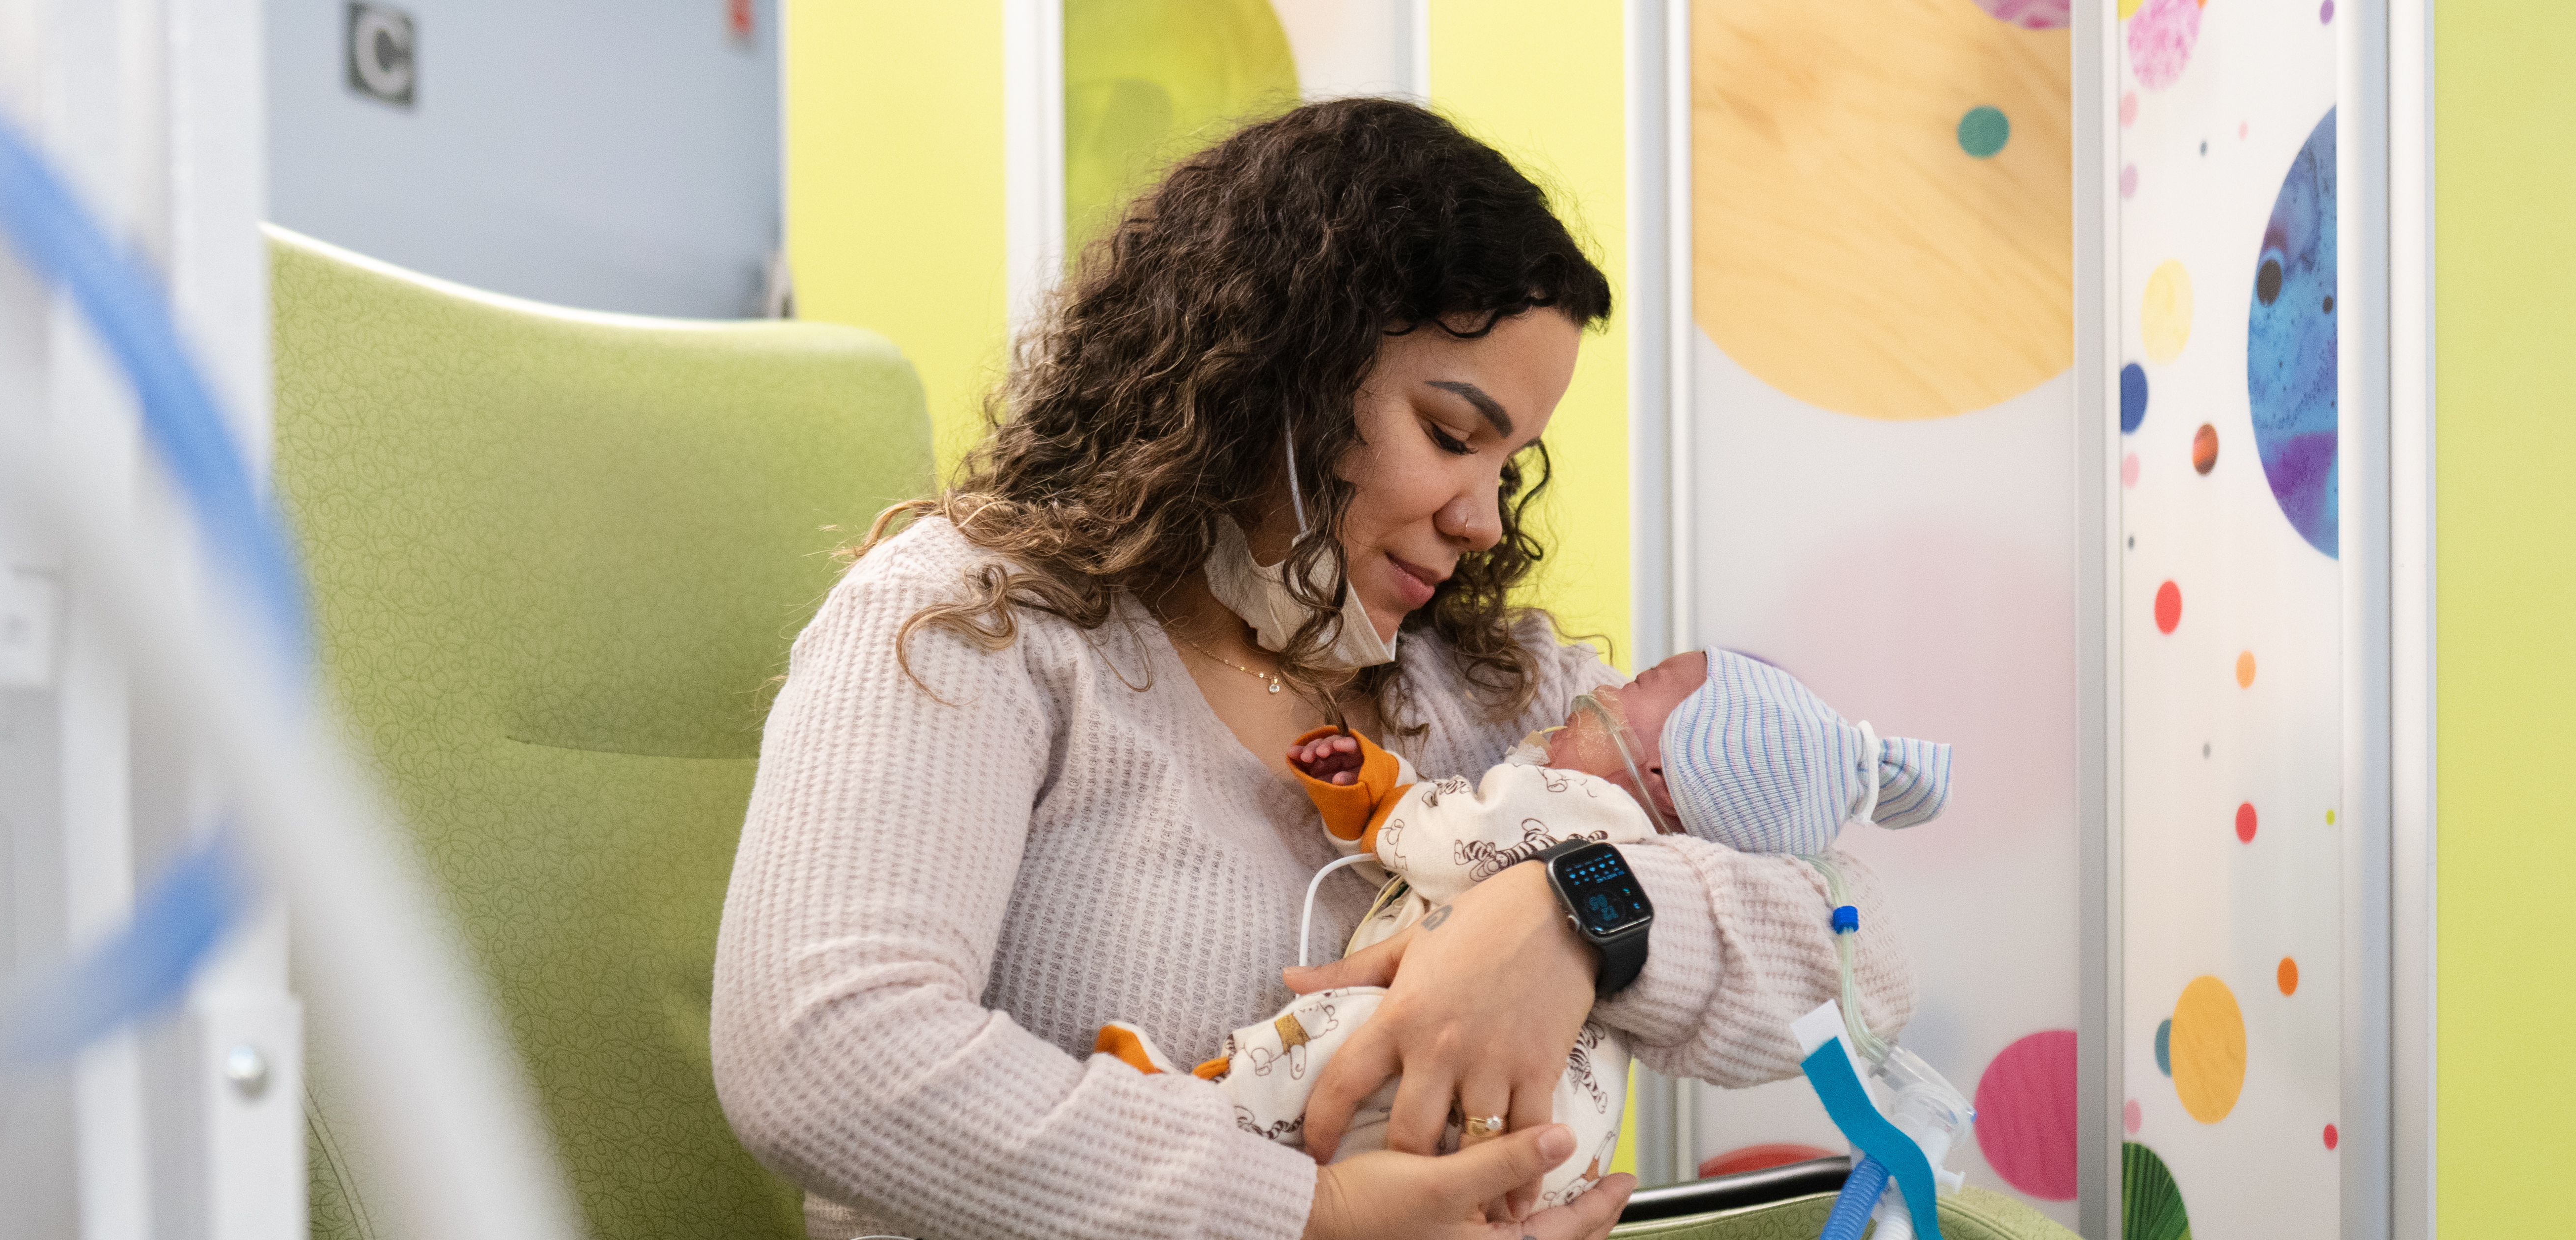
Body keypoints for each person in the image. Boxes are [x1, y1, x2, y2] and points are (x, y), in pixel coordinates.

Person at [710, 97, 1914, 1240]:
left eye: (1510, 464)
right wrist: (1310, 1216)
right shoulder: (979, 619)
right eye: (1451, 436)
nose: (1485, 519)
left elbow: (1871, 964)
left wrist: (1574, 910)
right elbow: (823, 1055)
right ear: (1275, 374)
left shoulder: (1485, 692)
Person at [1099, 650, 1953, 1215]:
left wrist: (1382, 799)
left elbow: (1456, 833)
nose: (1601, 688)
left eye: (1638, 685)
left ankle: (1209, 1099)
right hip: (1553, 1146)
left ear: (1656, 769)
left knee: (1342, 1027)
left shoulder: (1580, 802)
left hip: (1445, 1081)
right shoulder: (1622, 798)